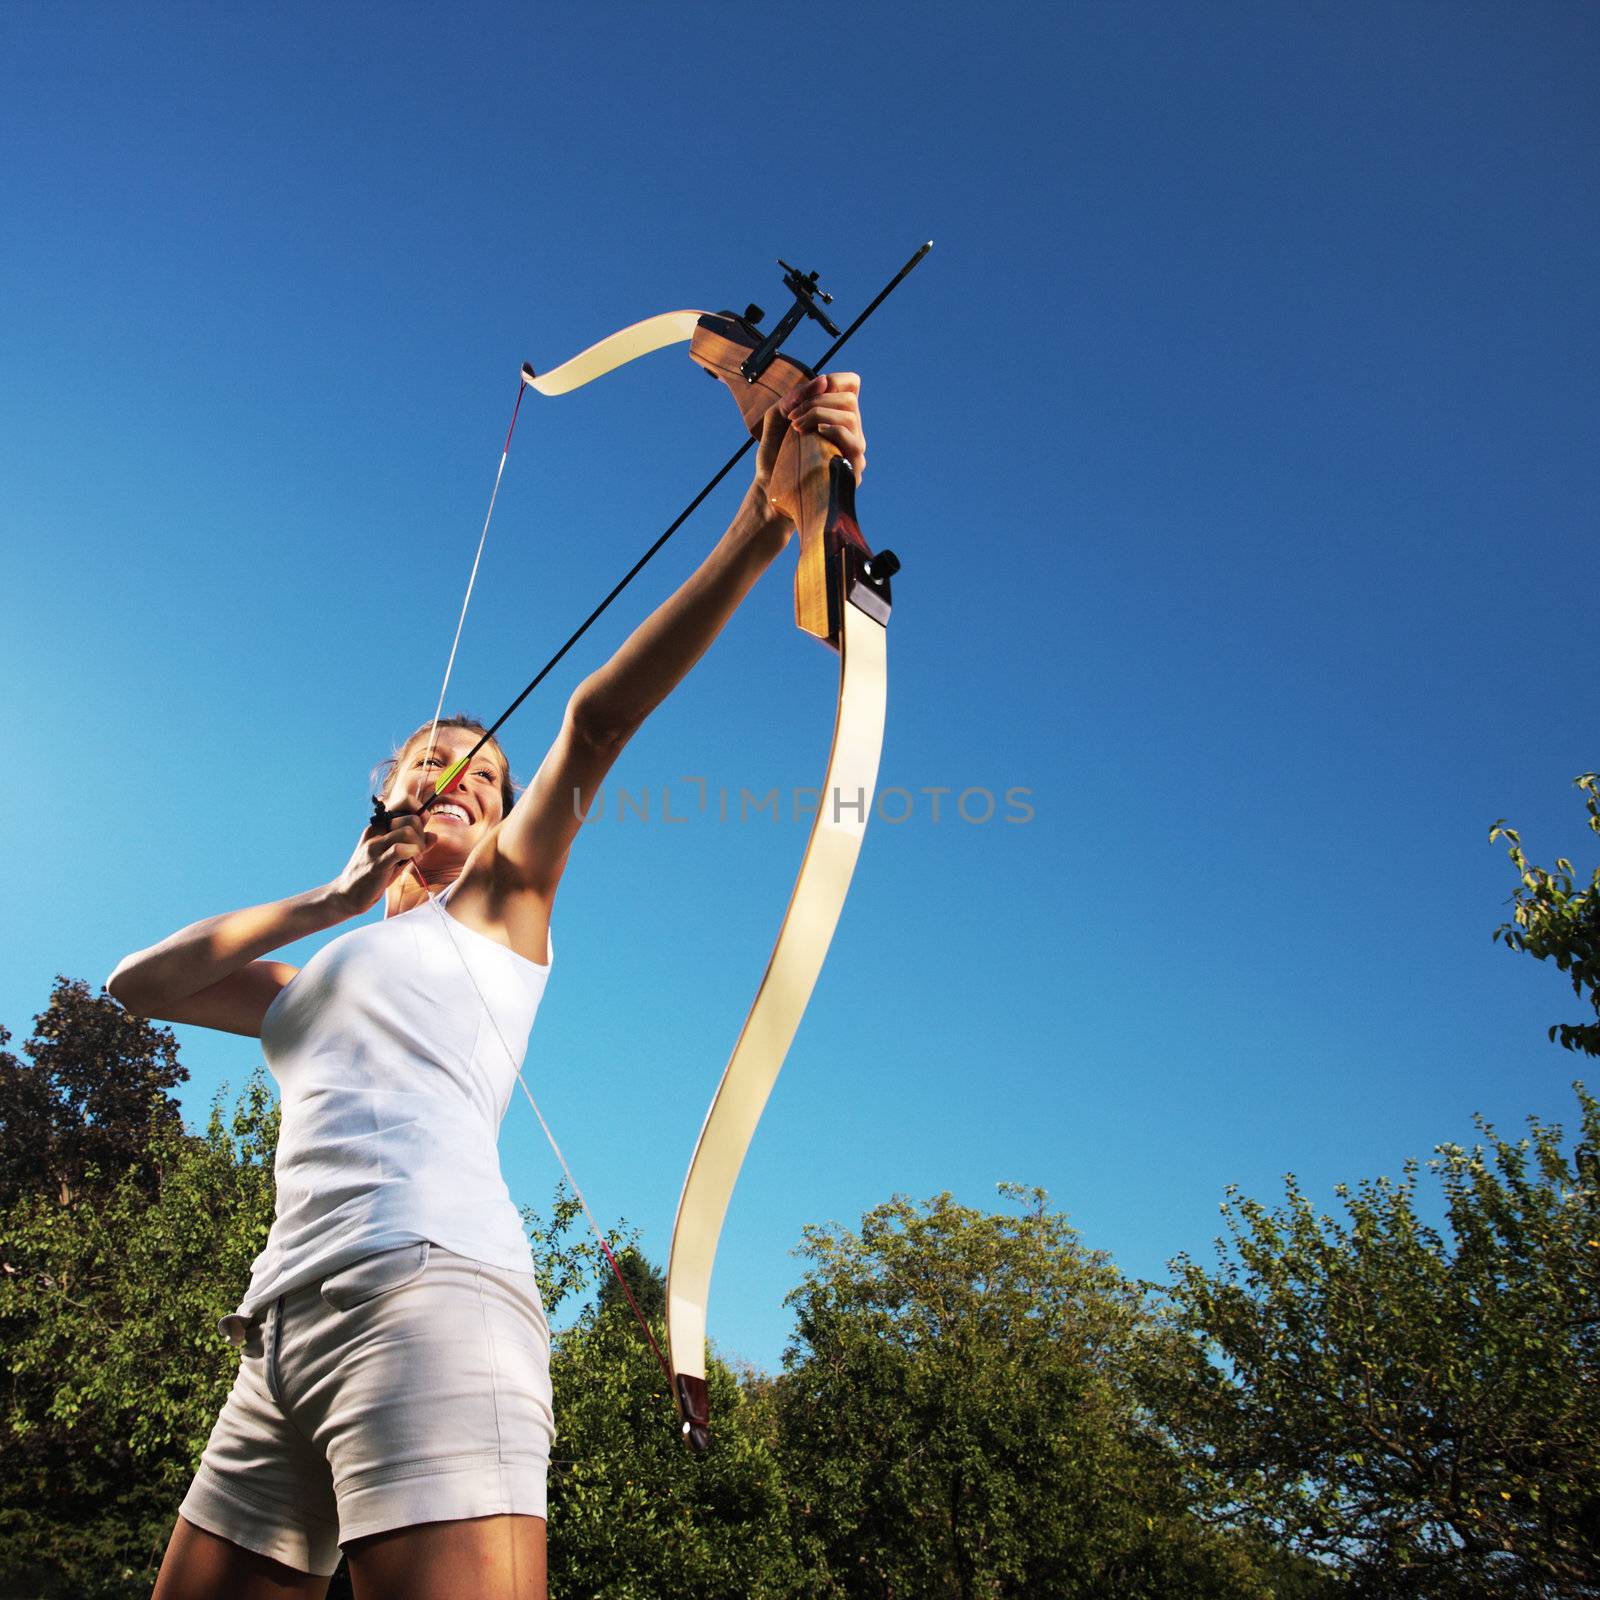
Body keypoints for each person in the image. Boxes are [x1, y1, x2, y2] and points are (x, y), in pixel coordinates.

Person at [109, 371, 868, 1600]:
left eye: (487, 775)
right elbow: (139, 983)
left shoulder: (504, 906)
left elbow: (598, 717)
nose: (462, 773)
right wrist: (334, 897)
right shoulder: (310, 978)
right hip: (282, 1329)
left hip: (427, 1292)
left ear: (508, 821)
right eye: (432, 760)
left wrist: (765, 522)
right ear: (385, 792)